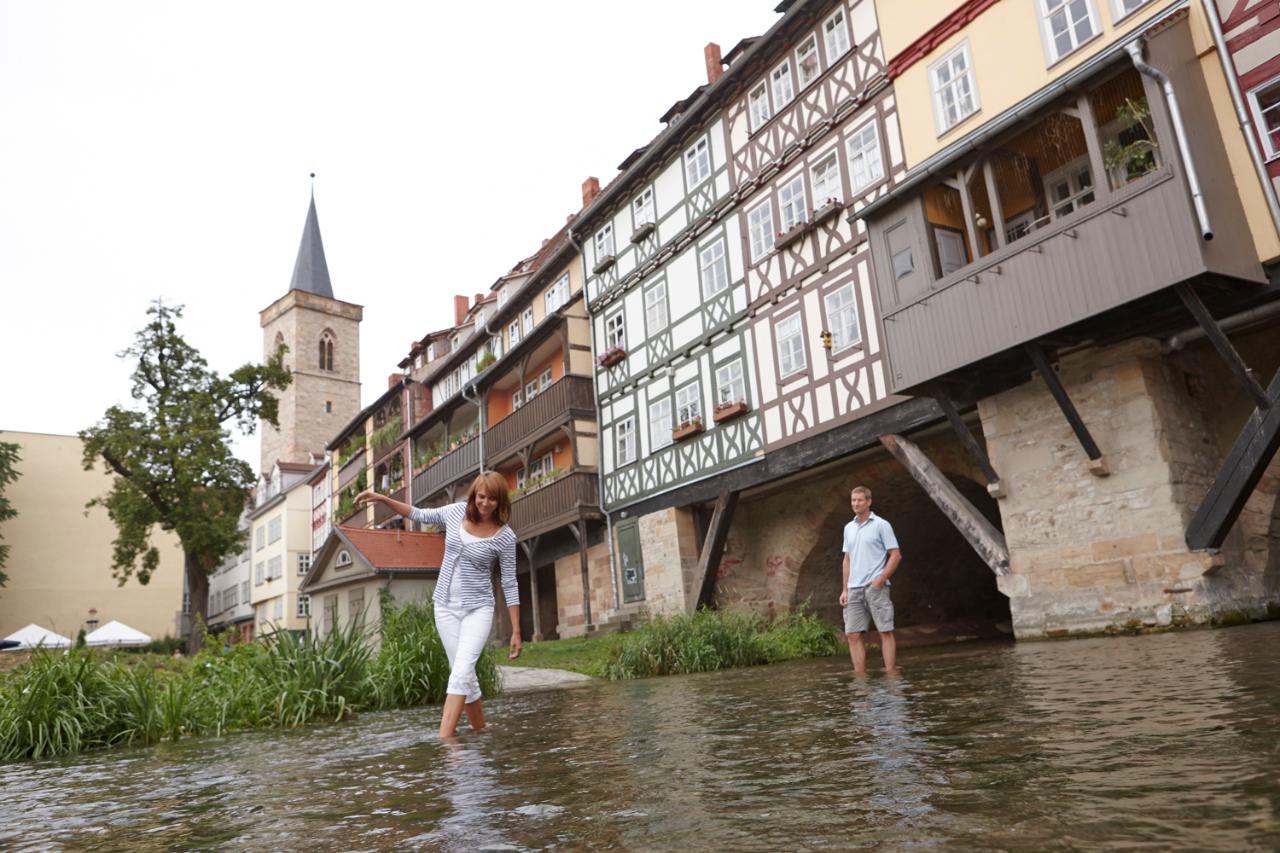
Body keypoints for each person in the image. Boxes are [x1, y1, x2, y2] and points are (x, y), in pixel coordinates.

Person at [357, 470, 520, 738]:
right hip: (444, 606)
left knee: (461, 672)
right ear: (474, 495)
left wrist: (516, 631)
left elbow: (510, 582)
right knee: (464, 674)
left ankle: (445, 741)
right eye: (481, 496)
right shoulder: (455, 512)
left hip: (478, 609)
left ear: (501, 501)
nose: (485, 503)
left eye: (492, 499)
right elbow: (418, 514)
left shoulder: (504, 537)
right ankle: (481, 732)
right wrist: (381, 498)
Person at [839, 485, 901, 675]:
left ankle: (891, 673)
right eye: (853, 500)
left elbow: (896, 555)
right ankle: (860, 677)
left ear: (868, 502)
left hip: (876, 587)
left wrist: (880, 580)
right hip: (854, 588)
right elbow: (847, 559)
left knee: (885, 630)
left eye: (859, 500)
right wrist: (845, 589)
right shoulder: (848, 528)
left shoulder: (881, 525)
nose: (855, 503)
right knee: (853, 634)